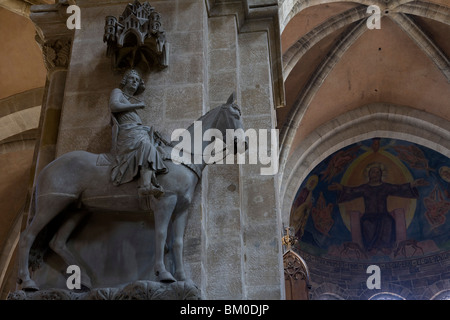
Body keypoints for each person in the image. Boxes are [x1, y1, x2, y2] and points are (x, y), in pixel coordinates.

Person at [328, 162, 428, 254]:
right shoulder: (365, 188)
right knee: (366, 223)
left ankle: (386, 247)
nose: (375, 174)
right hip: (368, 215)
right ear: (369, 174)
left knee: (387, 221)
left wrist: (412, 184)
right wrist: (341, 188)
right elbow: (353, 191)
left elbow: (398, 189)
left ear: (381, 174)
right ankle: (371, 248)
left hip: (383, 214)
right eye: (373, 172)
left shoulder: (385, 187)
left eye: (377, 172)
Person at [109, 69, 167, 198]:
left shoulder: (129, 100)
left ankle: (150, 177)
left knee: (158, 146)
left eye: (137, 80)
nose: (135, 81)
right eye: (132, 78)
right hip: (127, 134)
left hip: (136, 131)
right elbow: (113, 106)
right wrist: (137, 106)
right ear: (125, 80)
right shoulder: (118, 92)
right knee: (146, 145)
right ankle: (145, 186)